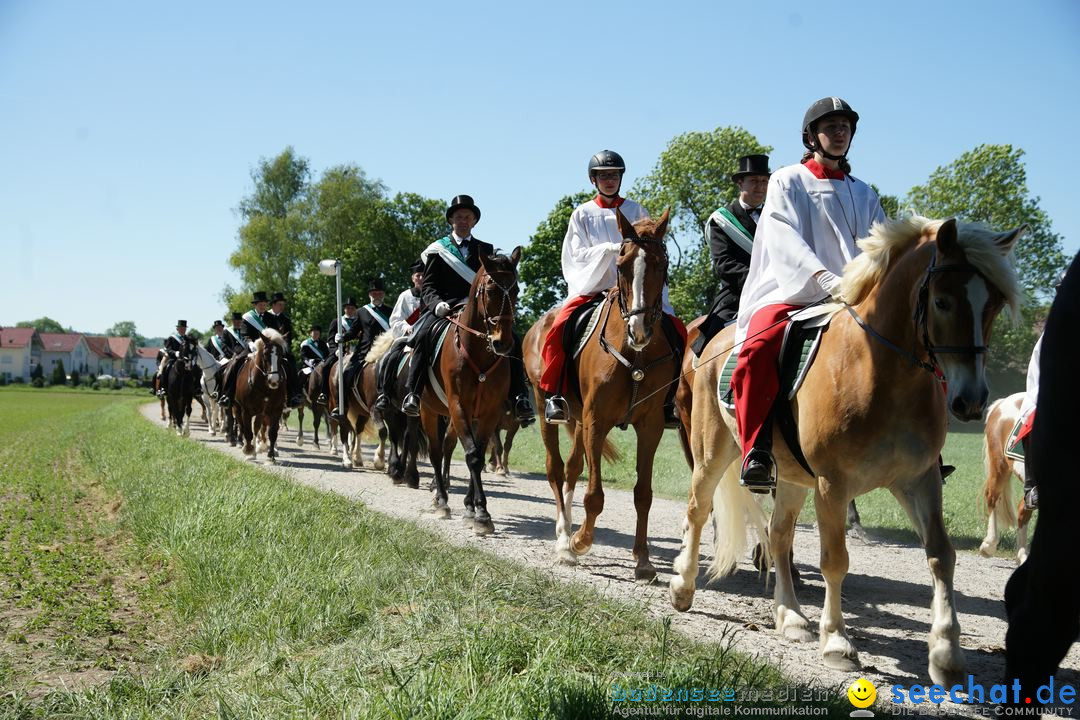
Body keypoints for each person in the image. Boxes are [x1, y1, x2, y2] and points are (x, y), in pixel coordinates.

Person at [732, 98, 885, 492]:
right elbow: (783, 234)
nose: (839, 133)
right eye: (830, 126)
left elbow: (883, 245)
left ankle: (924, 455)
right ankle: (758, 450)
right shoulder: (788, 179)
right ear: (811, 136)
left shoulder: (865, 193)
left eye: (845, 127)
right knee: (756, 349)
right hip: (793, 292)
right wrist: (824, 278)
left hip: (854, 297)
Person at [539, 150, 686, 426]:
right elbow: (576, 255)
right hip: (594, 287)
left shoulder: (637, 210)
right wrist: (610, 249)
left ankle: (670, 398)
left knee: (676, 329)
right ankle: (556, 394)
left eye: (614, 175)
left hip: (633, 290)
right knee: (560, 326)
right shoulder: (582, 214)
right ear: (593, 180)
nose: (609, 180)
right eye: (604, 175)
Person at [401, 195, 534, 424]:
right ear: (451, 220)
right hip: (444, 309)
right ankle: (413, 393)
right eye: (459, 217)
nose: (463, 221)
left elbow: (494, 285)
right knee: (421, 336)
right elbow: (429, 286)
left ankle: (520, 397)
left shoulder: (486, 249)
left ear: (474, 222)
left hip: (479, 311)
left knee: (513, 338)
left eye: (468, 217)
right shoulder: (437, 250)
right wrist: (437, 305)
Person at [691, 154, 771, 356]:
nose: (760, 187)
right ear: (739, 183)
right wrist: (760, 282)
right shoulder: (722, 220)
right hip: (738, 293)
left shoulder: (776, 214)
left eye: (764, 181)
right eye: (753, 181)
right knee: (710, 342)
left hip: (778, 288)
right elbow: (724, 263)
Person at [374, 260, 425, 412]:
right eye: (418, 275)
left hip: (427, 336)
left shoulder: (432, 295)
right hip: (406, 337)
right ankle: (385, 394)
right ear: (413, 278)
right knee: (390, 358)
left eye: (424, 275)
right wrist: (407, 328)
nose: (421, 278)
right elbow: (395, 320)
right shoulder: (405, 296)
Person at [217, 291, 274, 406]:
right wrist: (251, 343)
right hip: (252, 347)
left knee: (287, 363)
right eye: (260, 304)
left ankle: (290, 395)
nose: (262, 306)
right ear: (255, 305)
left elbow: (275, 332)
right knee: (235, 363)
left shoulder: (271, 318)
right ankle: (226, 394)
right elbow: (244, 333)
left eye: (264, 304)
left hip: (269, 348)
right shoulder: (248, 318)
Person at [317, 296, 362, 409]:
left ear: (355, 309)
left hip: (358, 351)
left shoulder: (359, 320)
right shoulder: (337, 321)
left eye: (352, 308)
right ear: (344, 309)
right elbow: (331, 339)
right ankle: (324, 393)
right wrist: (336, 350)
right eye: (347, 308)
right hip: (340, 352)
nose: (350, 310)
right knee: (326, 365)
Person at [267, 291, 303, 407]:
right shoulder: (266, 317)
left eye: (283, 304)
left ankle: (294, 395)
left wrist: (283, 348)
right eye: (280, 304)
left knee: (292, 363)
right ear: (273, 305)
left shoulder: (286, 319)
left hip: (281, 350)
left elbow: (289, 337)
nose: (282, 307)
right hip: (267, 350)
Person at [159, 320, 198, 385]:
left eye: (184, 328)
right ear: (177, 329)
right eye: (181, 328)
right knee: (167, 368)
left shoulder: (188, 339)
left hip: (186, 360)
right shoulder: (172, 338)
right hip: (174, 359)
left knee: (196, 369)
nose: (183, 330)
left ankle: (197, 388)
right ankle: (163, 387)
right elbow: (168, 350)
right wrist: (175, 353)